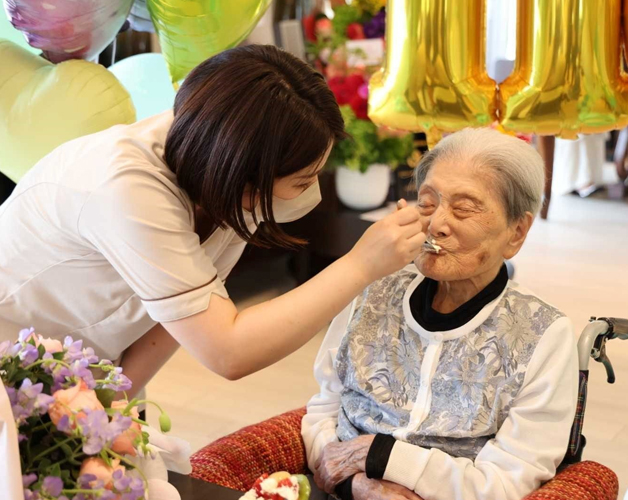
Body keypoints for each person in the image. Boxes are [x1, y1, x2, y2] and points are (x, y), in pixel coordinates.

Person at [0, 45, 425, 395]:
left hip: (86, 367)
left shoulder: (226, 172)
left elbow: (185, 309)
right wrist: (360, 265)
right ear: (242, 174)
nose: (310, 192)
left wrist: (114, 405)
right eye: (303, 179)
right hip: (13, 361)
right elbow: (228, 351)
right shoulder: (125, 189)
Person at [302, 128, 578, 500]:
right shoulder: (372, 289)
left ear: (517, 232)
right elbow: (324, 408)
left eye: (464, 208)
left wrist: (383, 456)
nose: (436, 224)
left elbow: (510, 479)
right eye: (427, 203)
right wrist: (356, 485)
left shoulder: (544, 334)